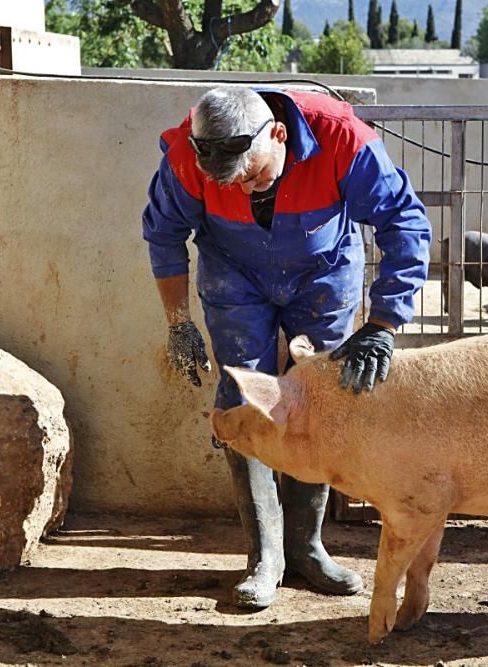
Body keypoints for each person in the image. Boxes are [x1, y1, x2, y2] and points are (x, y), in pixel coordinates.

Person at [142, 86, 431, 609]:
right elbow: (163, 234)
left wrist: (384, 323)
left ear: (277, 134)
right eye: (230, 182)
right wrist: (178, 322)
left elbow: (403, 221)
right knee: (243, 403)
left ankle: (306, 547)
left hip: (323, 271)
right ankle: (264, 556)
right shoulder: (189, 152)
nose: (247, 188)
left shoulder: (342, 137)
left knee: (321, 400)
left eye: (253, 174)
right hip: (234, 273)